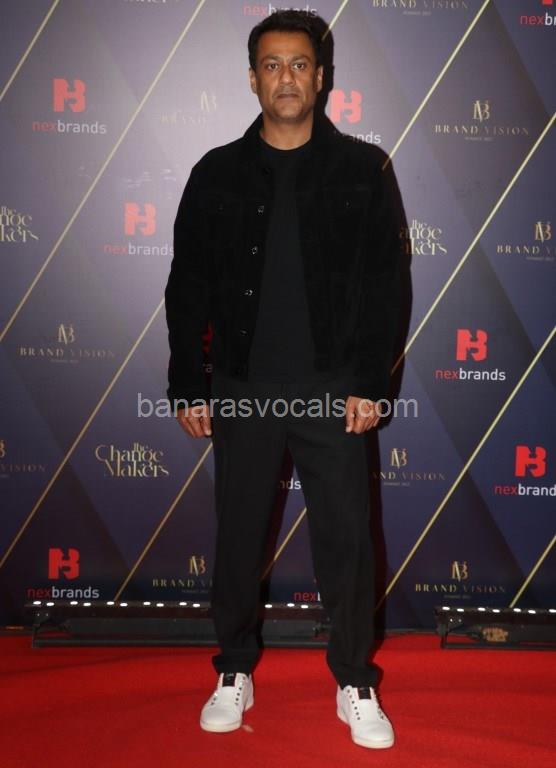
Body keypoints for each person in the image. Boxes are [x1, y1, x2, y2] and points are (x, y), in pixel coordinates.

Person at [165, 9, 403, 750]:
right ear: (252, 78)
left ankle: (354, 680)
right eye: (272, 65)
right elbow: (188, 286)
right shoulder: (215, 173)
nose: (287, 78)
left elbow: (387, 286)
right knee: (239, 538)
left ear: (321, 77)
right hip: (243, 389)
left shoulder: (364, 169)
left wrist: (370, 383)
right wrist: (189, 383)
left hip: (335, 390)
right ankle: (233, 669)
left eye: (300, 64)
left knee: (347, 543)